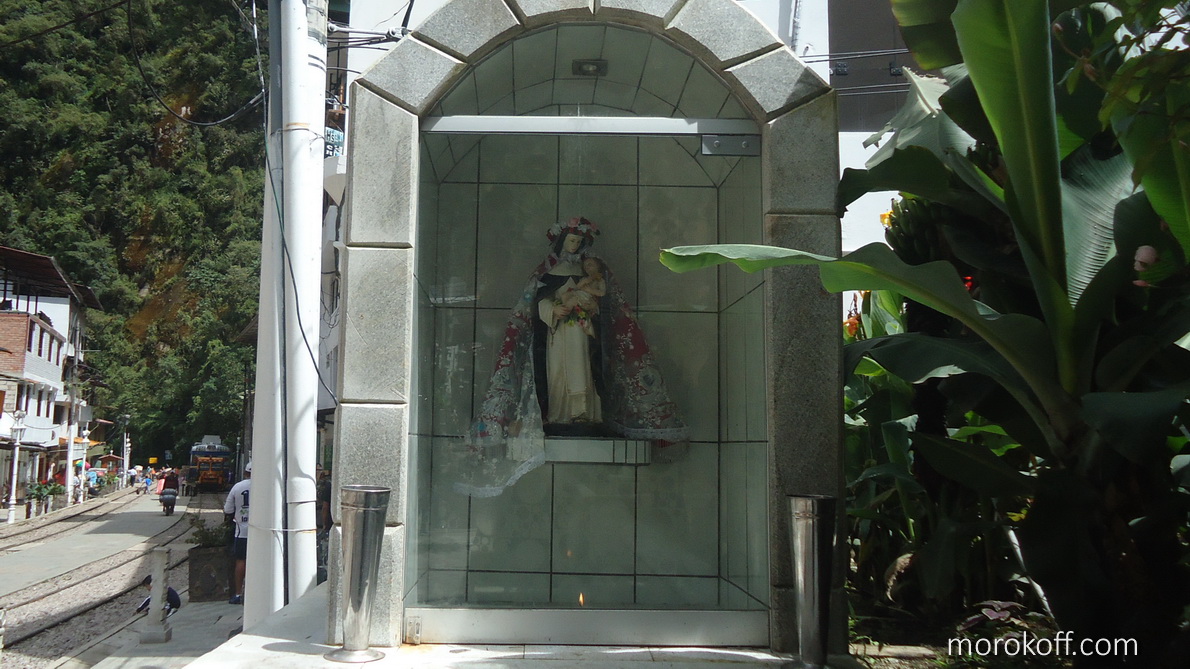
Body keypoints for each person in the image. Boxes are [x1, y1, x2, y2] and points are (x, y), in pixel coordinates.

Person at [461, 217, 688, 496]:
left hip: (583, 334)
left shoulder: (590, 273)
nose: (574, 246)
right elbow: (536, 305)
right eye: (571, 240)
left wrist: (591, 308)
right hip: (556, 335)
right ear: (561, 241)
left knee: (584, 370)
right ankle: (559, 413)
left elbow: (607, 307)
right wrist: (552, 310)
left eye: (579, 242)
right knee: (558, 372)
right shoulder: (548, 272)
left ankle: (585, 414)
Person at [223, 462, 251, 605]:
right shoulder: (265, 486)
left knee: (241, 561)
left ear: (245, 473)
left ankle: (238, 594)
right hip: (261, 531)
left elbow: (228, 510)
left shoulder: (237, 487)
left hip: (242, 531)